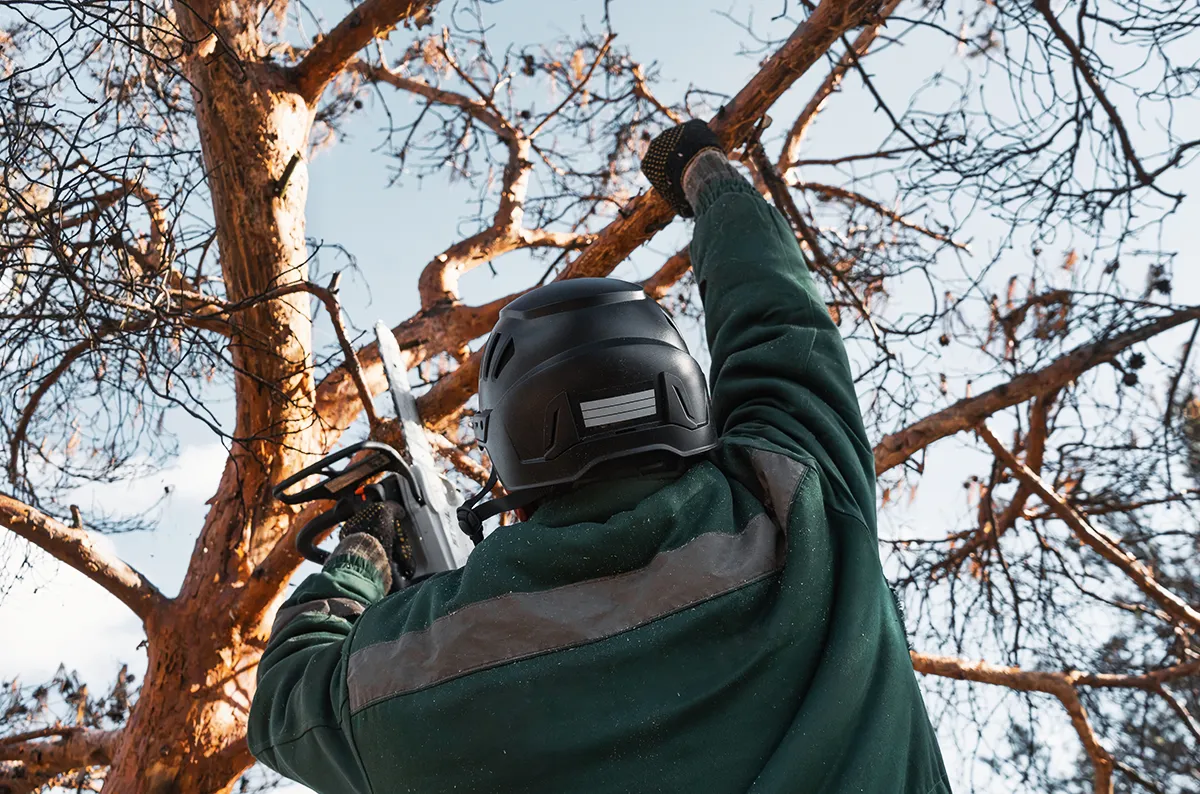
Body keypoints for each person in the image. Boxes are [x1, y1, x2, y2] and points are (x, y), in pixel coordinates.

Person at [247, 120, 952, 793]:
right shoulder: (799, 506)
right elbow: (778, 317)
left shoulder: (429, 668)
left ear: (513, 467)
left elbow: (286, 702)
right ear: (688, 399)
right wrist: (703, 170)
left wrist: (365, 553)